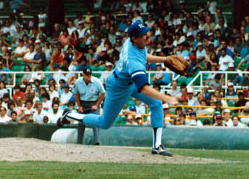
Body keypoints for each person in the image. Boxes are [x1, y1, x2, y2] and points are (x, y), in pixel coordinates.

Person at [58, 20, 179, 156]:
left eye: (146, 32)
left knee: (156, 103)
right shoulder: (133, 61)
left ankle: (157, 146)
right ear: (134, 38)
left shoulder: (133, 43)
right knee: (104, 123)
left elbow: (144, 57)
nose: (147, 35)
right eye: (143, 34)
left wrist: (164, 60)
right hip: (118, 87)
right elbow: (144, 88)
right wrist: (167, 98)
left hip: (129, 82)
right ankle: (69, 115)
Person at [73, 67, 106, 145]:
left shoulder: (97, 82)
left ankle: (97, 142)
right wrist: (79, 106)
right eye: (87, 75)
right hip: (83, 103)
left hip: (93, 103)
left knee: (95, 122)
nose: (89, 76)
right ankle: (79, 142)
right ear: (83, 75)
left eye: (90, 74)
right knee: (81, 123)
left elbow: (103, 93)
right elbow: (76, 94)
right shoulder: (78, 82)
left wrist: (96, 105)